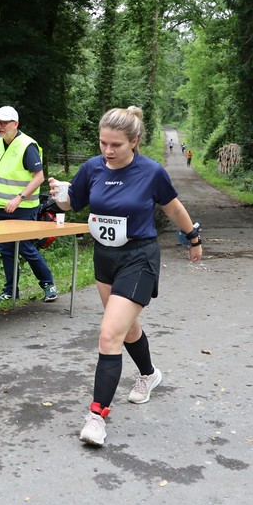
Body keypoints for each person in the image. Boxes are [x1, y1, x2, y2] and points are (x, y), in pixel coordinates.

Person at [48, 106, 203, 447]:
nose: (108, 150)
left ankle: (96, 417)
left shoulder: (151, 172)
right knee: (127, 328)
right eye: (103, 143)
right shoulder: (92, 168)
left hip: (139, 257)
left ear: (134, 141)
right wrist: (59, 195)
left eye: (116, 145)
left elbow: (173, 207)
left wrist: (193, 237)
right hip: (105, 258)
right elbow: (72, 204)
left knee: (109, 335)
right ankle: (149, 374)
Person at [0, 105, 58, 304]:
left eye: (5, 122)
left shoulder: (27, 145)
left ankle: (48, 284)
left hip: (24, 207)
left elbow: (39, 177)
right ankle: (11, 290)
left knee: (26, 248)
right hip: (2, 207)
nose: (0, 126)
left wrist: (19, 198)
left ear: (16, 124)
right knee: (6, 250)